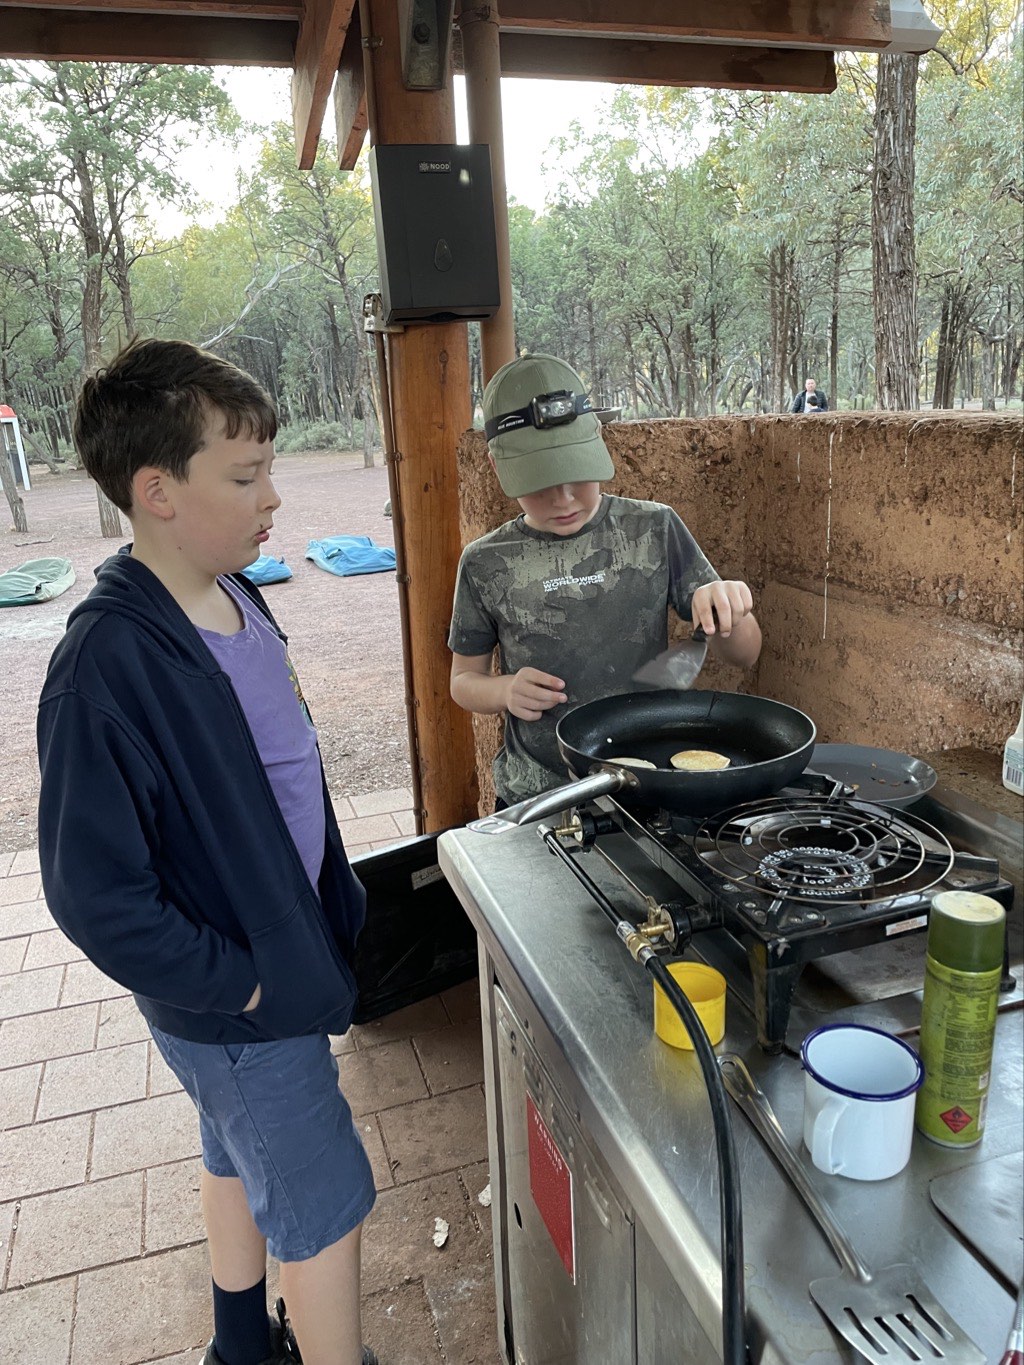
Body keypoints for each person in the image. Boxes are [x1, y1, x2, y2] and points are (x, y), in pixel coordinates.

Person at [36, 339, 378, 1365]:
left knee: (234, 1153)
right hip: (238, 1000)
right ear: (158, 492)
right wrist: (241, 987)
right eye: (245, 475)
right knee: (325, 1208)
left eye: (270, 467)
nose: (274, 496)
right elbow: (96, 896)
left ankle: (240, 1346)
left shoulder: (234, 591)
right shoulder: (105, 665)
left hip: (269, 965)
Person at [448, 352, 762, 808]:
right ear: (499, 470)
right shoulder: (485, 562)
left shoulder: (654, 529)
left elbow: (745, 654)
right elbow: (463, 680)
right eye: (539, 482)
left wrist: (733, 610)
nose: (563, 498)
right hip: (537, 791)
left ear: (599, 445)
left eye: (577, 473)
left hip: (643, 781)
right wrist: (504, 690)